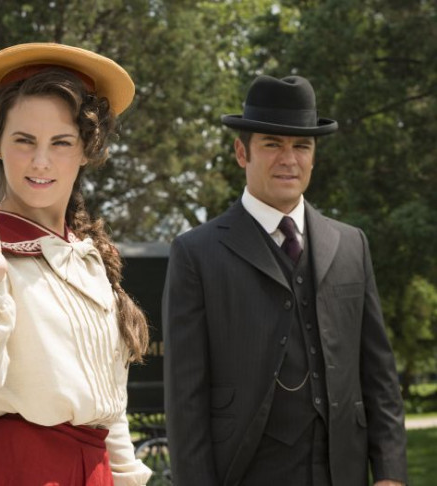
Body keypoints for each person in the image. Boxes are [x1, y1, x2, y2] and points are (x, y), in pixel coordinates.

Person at [0, 42, 152, 486]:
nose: (41, 161)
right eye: (24, 140)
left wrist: (126, 478)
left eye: (61, 142)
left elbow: (108, 406)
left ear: (86, 148)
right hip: (11, 471)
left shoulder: (89, 259)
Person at [162, 75, 408, 486]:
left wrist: (390, 475)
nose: (289, 159)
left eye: (302, 146)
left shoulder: (352, 244)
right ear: (242, 152)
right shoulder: (196, 253)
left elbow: (379, 375)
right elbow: (185, 399)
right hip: (246, 472)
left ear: (314, 157)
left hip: (343, 472)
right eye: (272, 144)